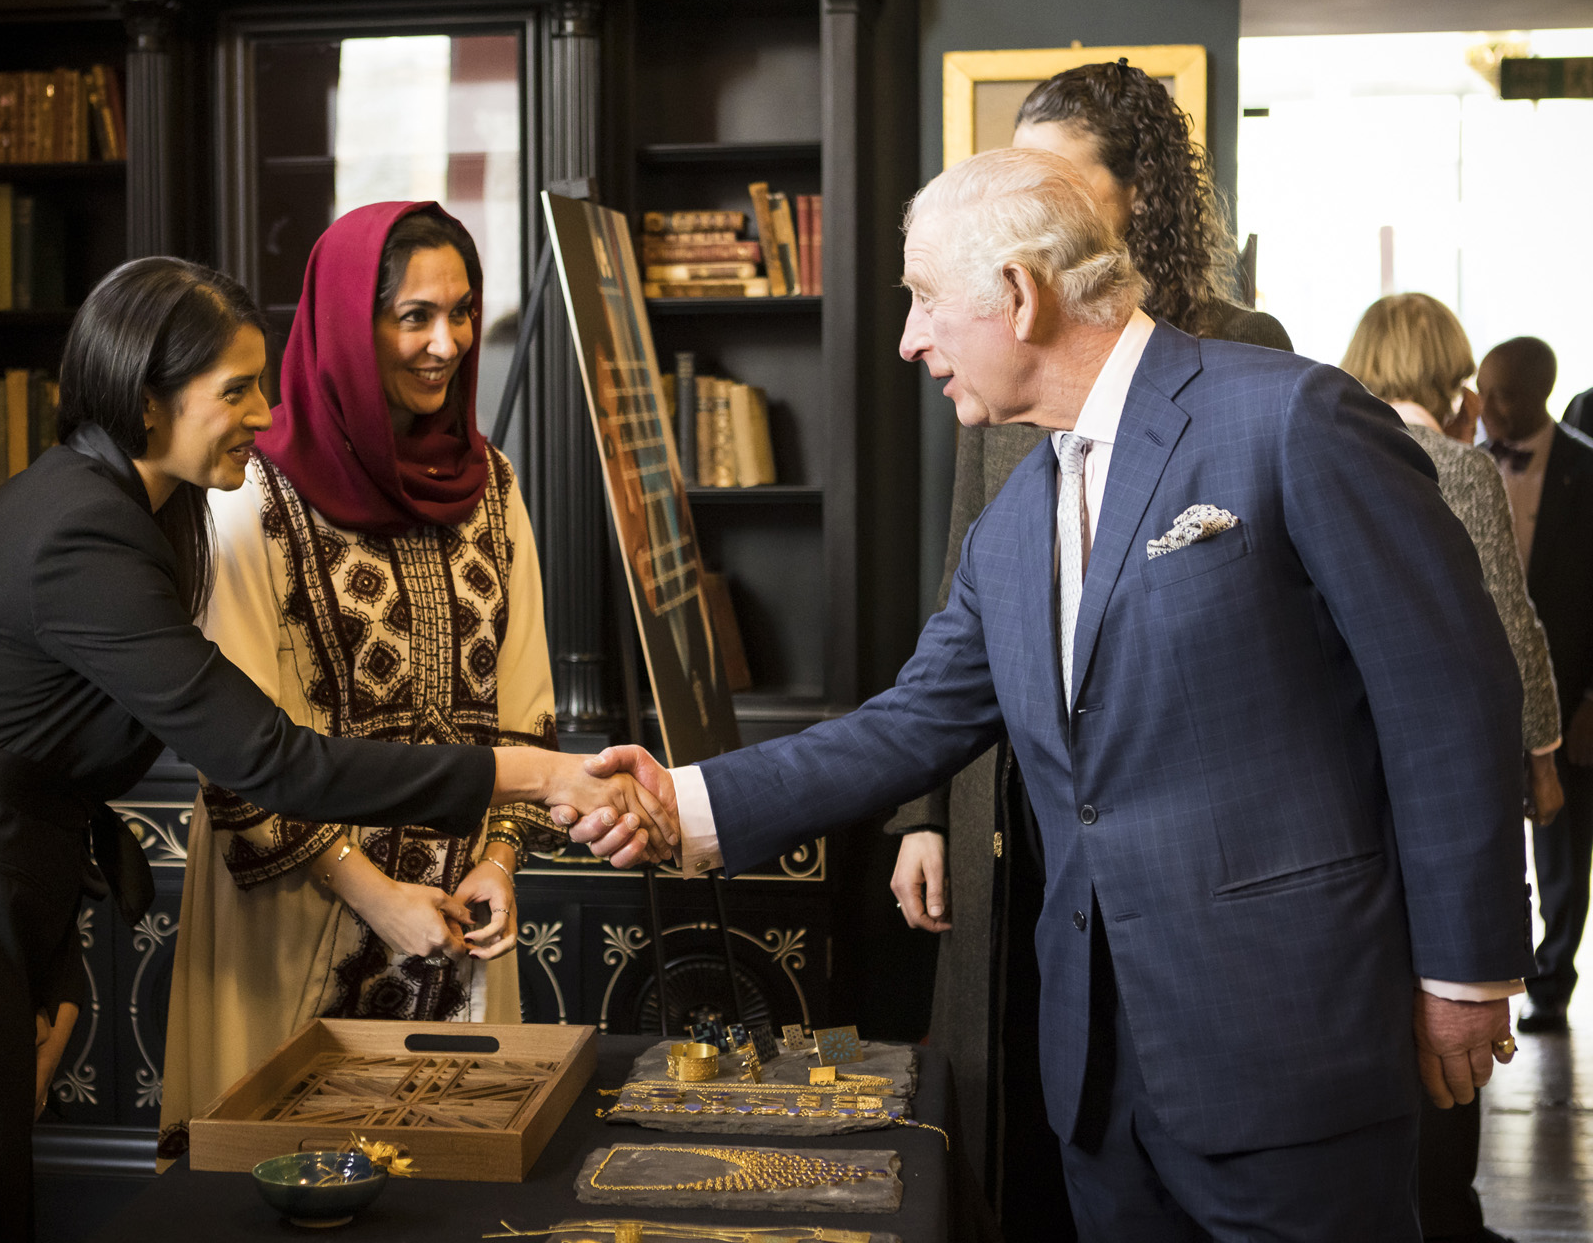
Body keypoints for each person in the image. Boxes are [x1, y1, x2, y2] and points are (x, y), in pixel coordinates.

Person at [570, 149, 1530, 1239]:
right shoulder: (1013, 523)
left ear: (1020, 294)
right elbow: (911, 723)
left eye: (926, 299)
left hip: (1290, 1049)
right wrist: (682, 800)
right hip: (1096, 1083)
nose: (909, 339)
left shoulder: (1293, 417)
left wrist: (1466, 970)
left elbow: (1448, 694)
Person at [0, 256, 670, 1242]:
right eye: (235, 389)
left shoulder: (123, 508)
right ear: (149, 402)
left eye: (265, 383)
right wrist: (528, 770)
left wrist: (53, 968)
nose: (267, 413)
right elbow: (278, 761)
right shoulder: (81, 534)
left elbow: (45, 781)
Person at [885, 57, 1293, 1233]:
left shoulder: (1246, 356)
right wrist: (924, 814)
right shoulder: (989, 367)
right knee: (1021, 1085)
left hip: (1167, 825)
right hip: (1002, 795)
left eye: (1053, 177)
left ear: (1134, 200)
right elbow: (962, 610)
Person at [157, 204, 567, 1156]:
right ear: (348, 319)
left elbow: (524, 699)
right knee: (284, 1178)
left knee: (450, 1173)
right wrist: (371, 890)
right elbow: (235, 746)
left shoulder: (492, 487)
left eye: (462, 314)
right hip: (296, 922)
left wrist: (500, 861)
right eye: (414, 316)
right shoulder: (249, 493)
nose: (446, 344)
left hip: (460, 914)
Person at [1343, 293, 1563, 1243]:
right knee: (1454, 990)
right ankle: (1445, 1214)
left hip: (1348, 783)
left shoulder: (1326, 449)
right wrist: (1543, 757)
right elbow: (1509, 630)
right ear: (1448, 370)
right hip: (1445, 778)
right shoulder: (1457, 466)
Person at [1478, 337, 1593, 1037]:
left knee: (1564, 847)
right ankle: (1486, 975)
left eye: (1502, 397)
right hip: (1486, 687)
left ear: (1540, 395)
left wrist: (1590, 703)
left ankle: (1551, 984)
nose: (1486, 409)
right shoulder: (1462, 465)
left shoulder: (1587, 468)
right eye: (1483, 392)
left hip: (1570, 692)